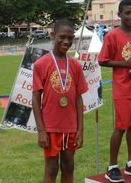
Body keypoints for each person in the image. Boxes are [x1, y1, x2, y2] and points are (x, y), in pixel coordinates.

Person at [98, 0, 131, 183]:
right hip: (122, 89)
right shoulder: (112, 36)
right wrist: (124, 64)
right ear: (119, 15)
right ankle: (112, 166)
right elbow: (102, 60)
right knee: (121, 126)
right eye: (127, 13)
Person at [32, 18, 88, 183]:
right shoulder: (41, 64)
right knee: (51, 168)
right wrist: (41, 131)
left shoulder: (75, 65)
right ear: (52, 35)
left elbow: (79, 98)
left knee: (68, 166)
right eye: (62, 37)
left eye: (70, 38)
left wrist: (80, 130)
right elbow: (35, 98)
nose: (66, 41)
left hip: (70, 126)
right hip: (50, 127)